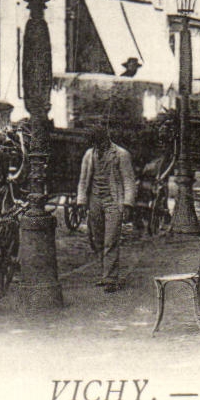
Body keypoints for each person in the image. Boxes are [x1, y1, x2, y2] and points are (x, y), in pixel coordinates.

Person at [76, 117, 138, 291]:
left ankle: (110, 278)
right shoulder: (89, 154)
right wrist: (81, 201)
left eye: (99, 143)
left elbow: (128, 181)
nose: (98, 147)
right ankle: (105, 273)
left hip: (113, 200)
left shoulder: (121, 155)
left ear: (105, 139)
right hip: (95, 200)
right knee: (96, 239)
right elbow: (83, 180)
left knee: (111, 240)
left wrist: (127, 204)